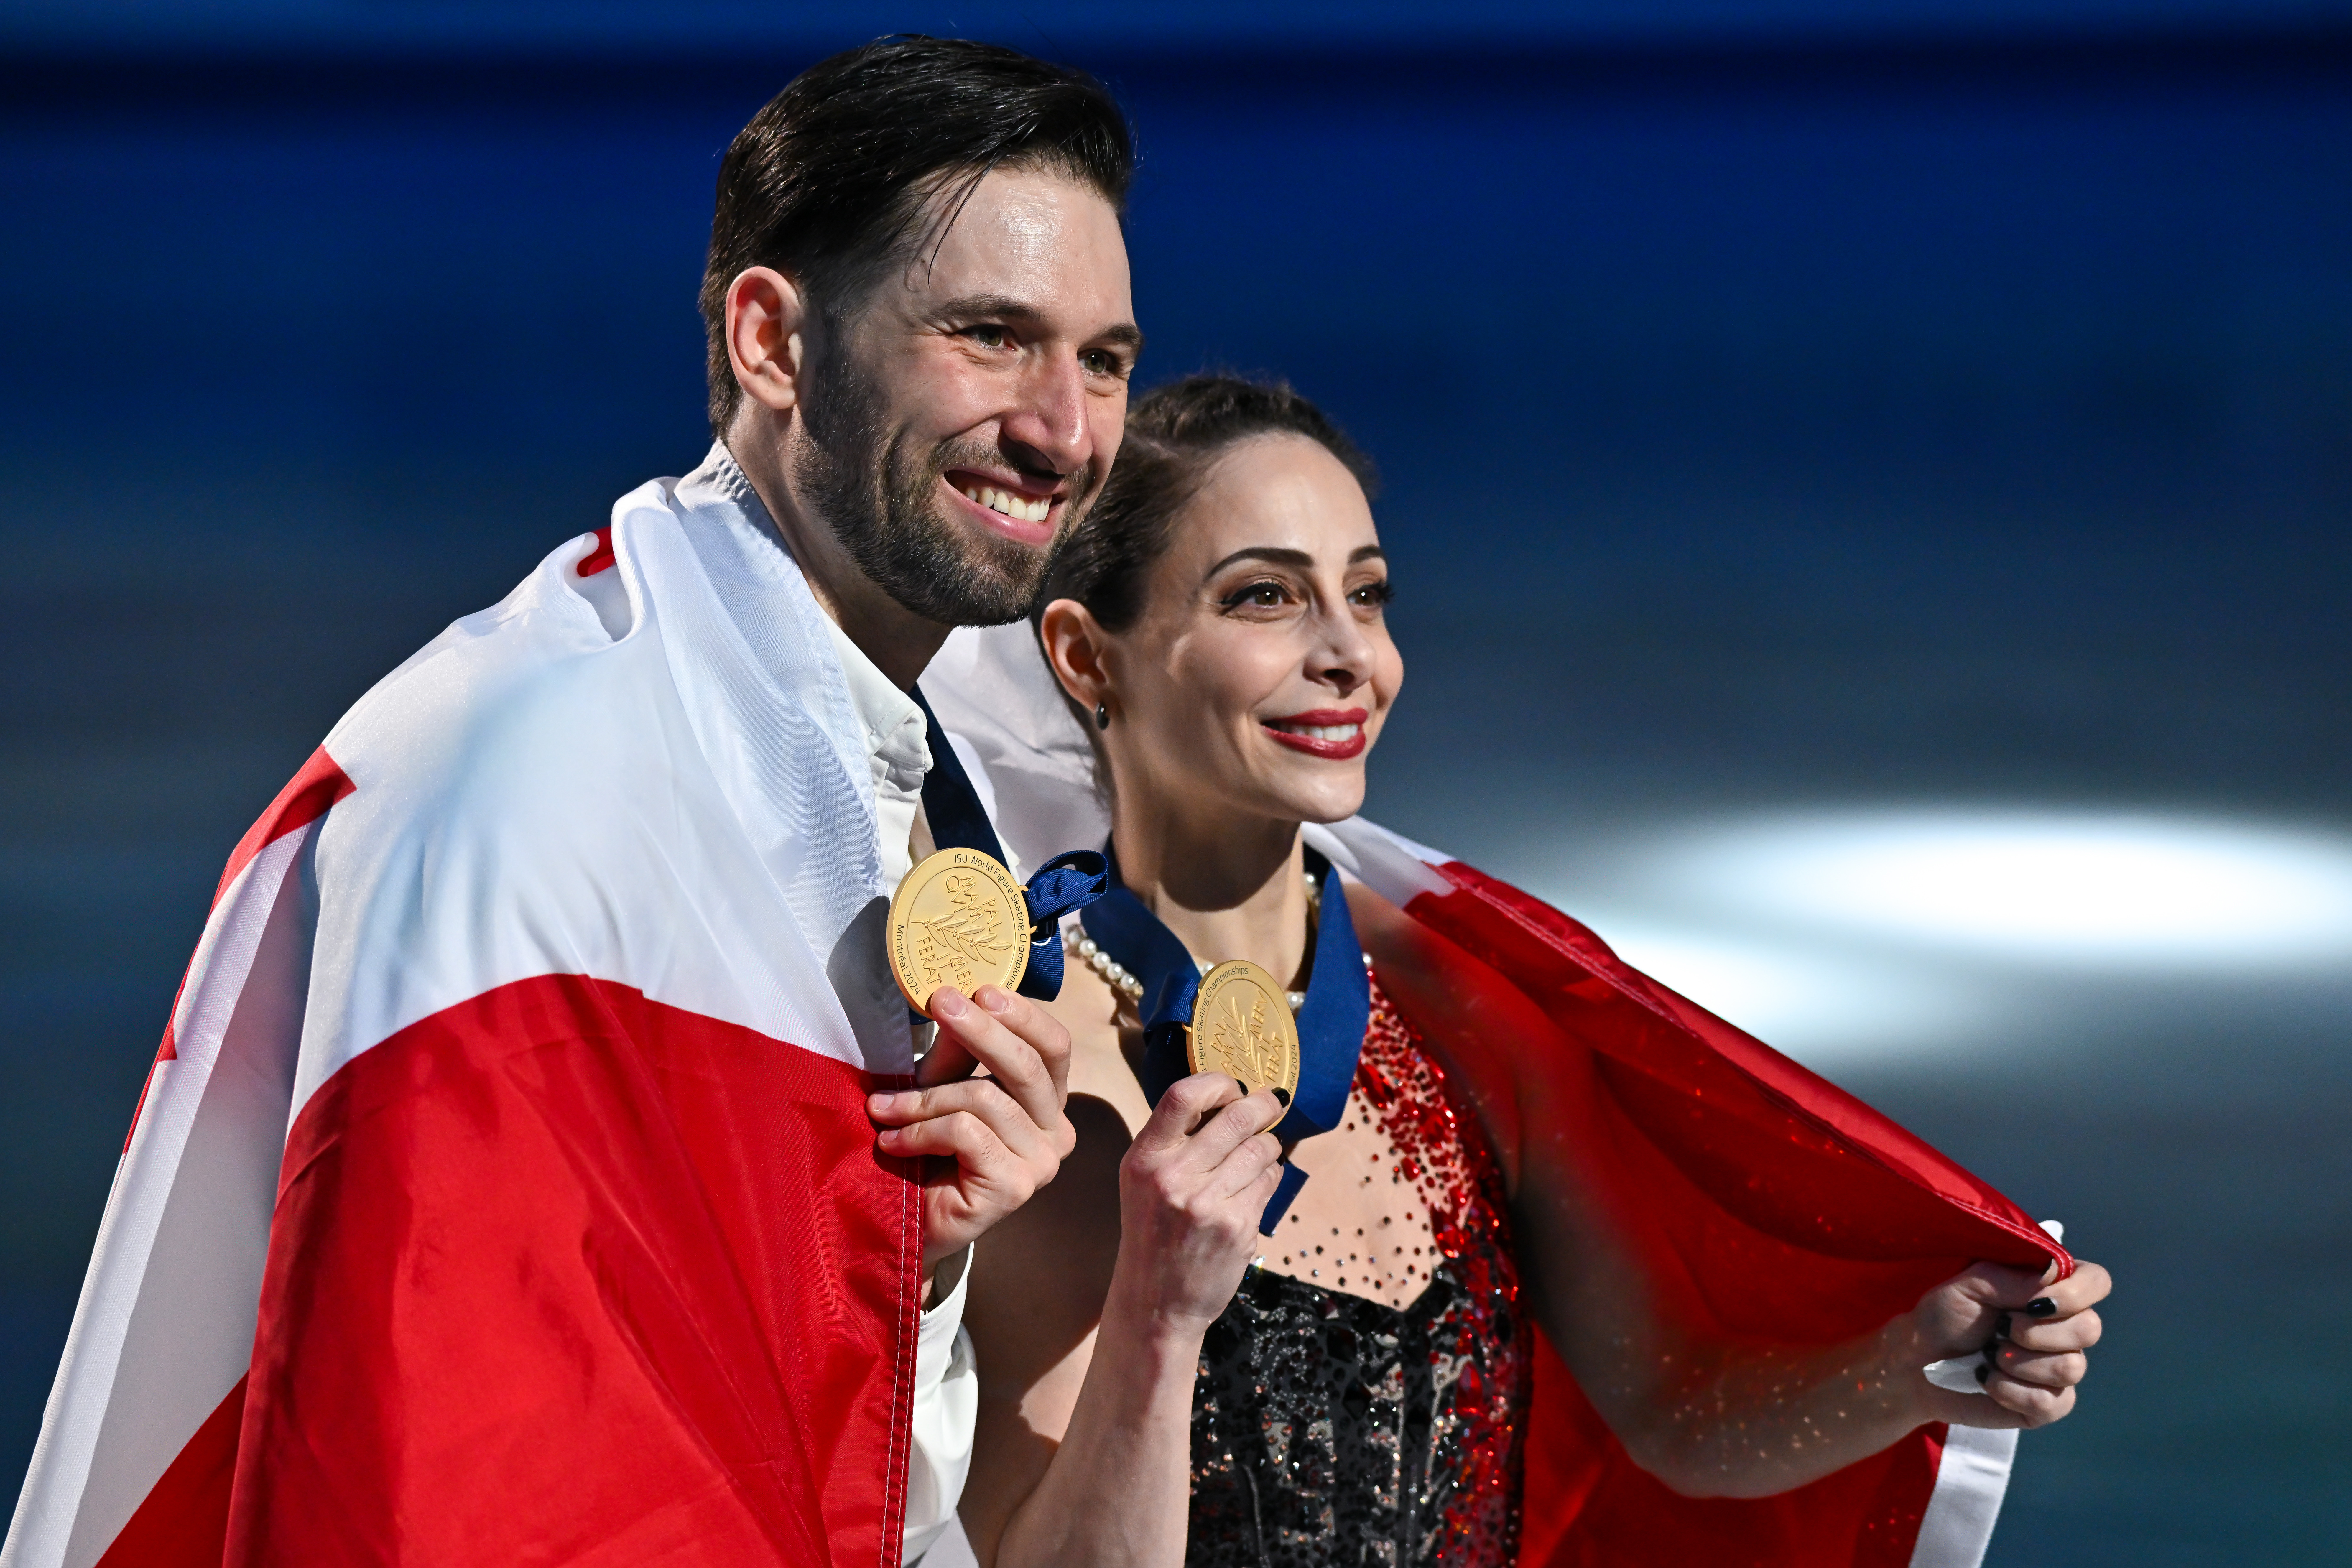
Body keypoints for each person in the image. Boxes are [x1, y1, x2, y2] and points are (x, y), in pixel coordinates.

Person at [4, 38, 1140, 1568]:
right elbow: (422, 1476)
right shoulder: (530, 779)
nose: (1062, 430)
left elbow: (738, 1387)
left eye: (1105, 359)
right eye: (993, 337)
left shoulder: (911, 764)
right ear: (771, 341)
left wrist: (913, 1257)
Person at [920, 376, 2113, 1567]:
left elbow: (1676, 1411)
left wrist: (1918, 1363)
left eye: (1369, 596)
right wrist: (1160, 1318)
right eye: (1268, 596)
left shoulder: (1468, 1015)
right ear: (1085, 656)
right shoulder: (1045, 1073)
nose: (1350, 656)